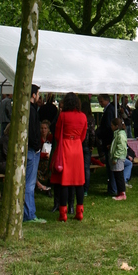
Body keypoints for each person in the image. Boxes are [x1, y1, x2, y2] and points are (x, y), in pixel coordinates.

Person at [50, 92, 87, 222]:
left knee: (64, 181)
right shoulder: (83, 116)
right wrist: (76, 140)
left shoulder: (63, 116)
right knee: (79, 181)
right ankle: (79, 211)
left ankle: (63, 213)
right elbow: (83, 135)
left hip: (65, 146)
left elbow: (57, 133)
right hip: (77, 147)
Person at [23, 84, 46, 223]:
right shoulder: (31, 111)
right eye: (37, 93)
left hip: (32, 148)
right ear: (33, 95)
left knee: (29, 183)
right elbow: (32, 132)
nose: (38, 96)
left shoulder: (29, 109)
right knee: (30, 184)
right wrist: (37, 146)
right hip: (32, 150)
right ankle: (29, 214)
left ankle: (29, 212)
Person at [96, 94, 116, 196]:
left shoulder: (109, 111)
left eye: (101, 101)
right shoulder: (110, 109)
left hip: (108, 141)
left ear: (106, 100)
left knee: (111, 167)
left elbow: (108, 128)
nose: (100, 104)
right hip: (108, 140)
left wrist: (99, 133)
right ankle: (112, 188)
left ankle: (112, 189)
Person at [110, 117, 128, 201]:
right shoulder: (118, 133)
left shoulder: (120, 135)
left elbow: (120, 147)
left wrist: (115, 157)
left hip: (119, 158)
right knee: (118, 175)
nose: (111, 127)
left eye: (112, 125)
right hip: (119, 157)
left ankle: (122, 193)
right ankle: (120, 192)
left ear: (116, 126)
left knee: (119, 175)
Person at [81, 100, 96, 196]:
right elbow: (92, 133)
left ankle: (79, 186)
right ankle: (85, 189)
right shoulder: (91, 118)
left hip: (80, 144)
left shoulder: (80, 117)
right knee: (86, 167)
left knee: (79, 167)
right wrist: (92, 145)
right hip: (87, 145)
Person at [36, 120, 53, 195]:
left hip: (49, 160)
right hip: (40, 160)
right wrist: (44, 155)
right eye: (42, 128)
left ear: (48, 129)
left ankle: (49, 186)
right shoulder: (38, 139)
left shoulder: (51, 138)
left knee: (50, 166)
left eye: (45, 128)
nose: (43, 130)